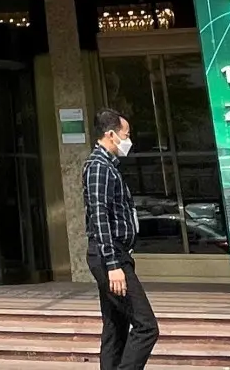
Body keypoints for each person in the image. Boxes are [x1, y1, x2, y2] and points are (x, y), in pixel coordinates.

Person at [83, 109, 159, 370]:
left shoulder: (110, 167)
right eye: (126, 134)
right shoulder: (98, 167)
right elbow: (99, 215)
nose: (129, 140)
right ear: (111, 134)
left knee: (115, 327)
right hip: (109, 256)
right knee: (146, 326)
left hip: (117, 254)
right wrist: (113, 264)